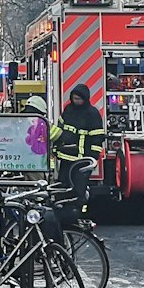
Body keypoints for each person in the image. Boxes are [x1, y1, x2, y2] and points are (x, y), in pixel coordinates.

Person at [49, 83, 106, 216]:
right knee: (63, 186)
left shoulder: (92, 114)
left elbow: (97, 137)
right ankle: (64, 212)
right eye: (74, 98)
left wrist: (93, 155)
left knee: (79, 189)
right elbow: (60, 128)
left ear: (85, 99)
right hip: (65, 156)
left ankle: (80, 213)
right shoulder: (68, 110)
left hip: (82, 159)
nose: (76, 101)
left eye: (79, 99)